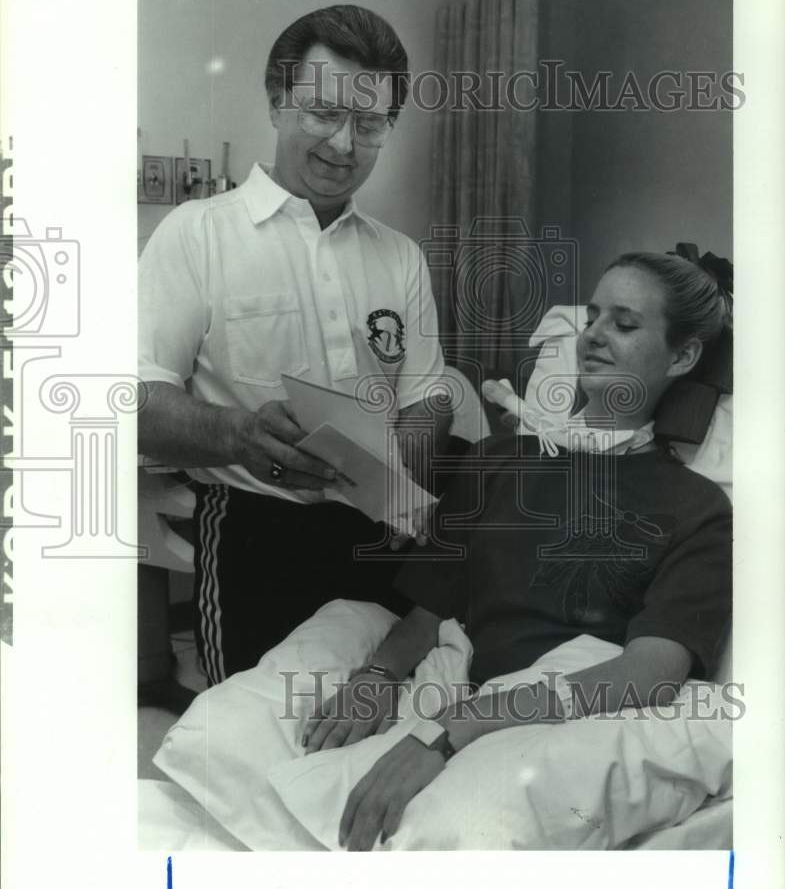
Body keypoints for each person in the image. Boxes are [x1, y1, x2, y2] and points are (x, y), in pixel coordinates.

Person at [297, 250, 733, 850]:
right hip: (464, 682)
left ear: (682, 356)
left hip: (573, 710)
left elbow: (650, 672)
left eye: (625, 325)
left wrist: (454, 731)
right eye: (594, 317)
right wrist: (377, 676)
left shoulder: (697, 506)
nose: (594, 338)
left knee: (463, 829)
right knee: (247, 730)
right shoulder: (497, 462)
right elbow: (427, 615)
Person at [138, 5, 451, 686]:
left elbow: (426, 393)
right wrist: (237, 434)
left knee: (374, 719)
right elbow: (137, 399)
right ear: (277, 100)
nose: (343, 144)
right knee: (250, 733)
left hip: (383, 531)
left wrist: (409, 473)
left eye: (368, 124)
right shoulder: (196, 234)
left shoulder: (399, 257)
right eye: (323, 113)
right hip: (255, 533)